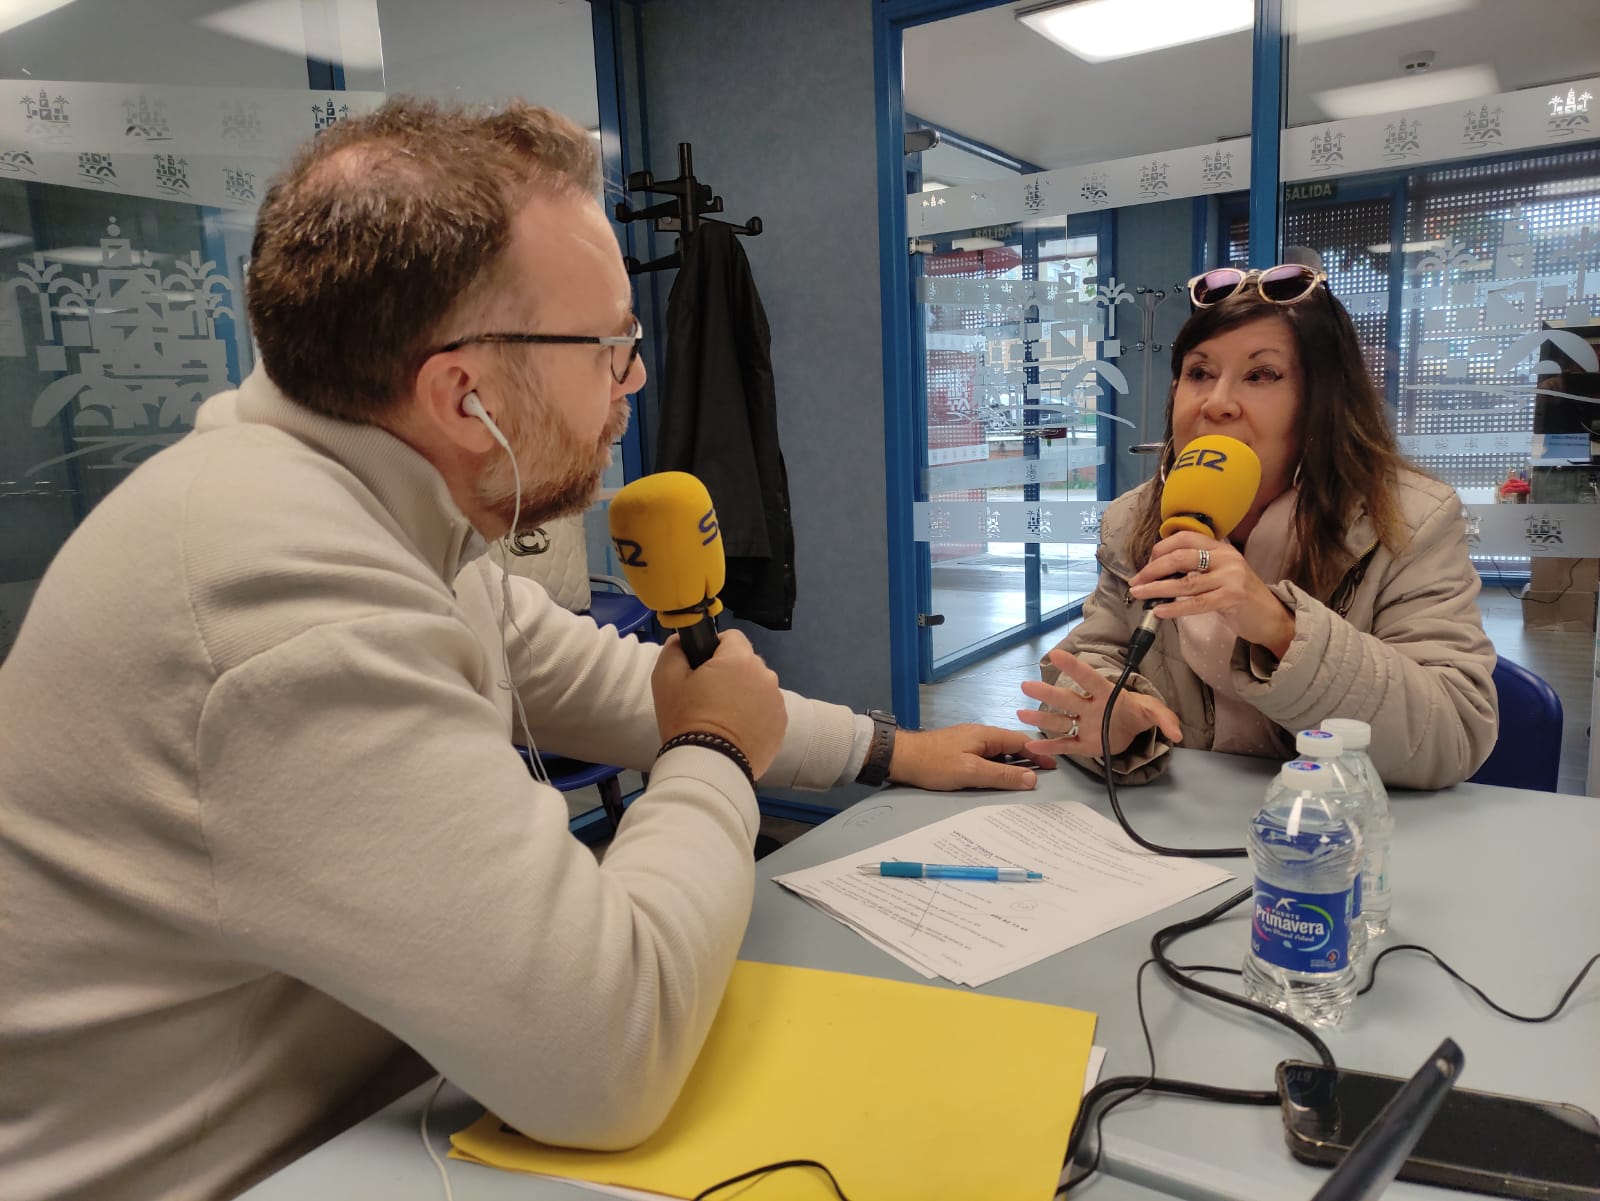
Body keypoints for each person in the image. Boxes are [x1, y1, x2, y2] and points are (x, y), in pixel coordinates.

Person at [0, 99, 1045, 1201]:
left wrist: (884, 750)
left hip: (360, 1130)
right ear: (464, 393)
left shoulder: (351, 501)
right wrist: (714, 756)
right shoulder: (289, 609)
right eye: (611, 349)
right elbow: (609, 1054)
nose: (631, 386)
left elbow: (594, 677)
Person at [1017, 264, 1498, 790]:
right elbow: (1091, 657)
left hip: (1342, 828)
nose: (1217, 403)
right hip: (1184, 823)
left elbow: (1451, 736)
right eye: (1199, 373)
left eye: (1261, 375)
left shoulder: (1408, 520)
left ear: (1321, 402)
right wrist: (1116, 716)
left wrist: (1281, 629)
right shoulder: (1136, 519)